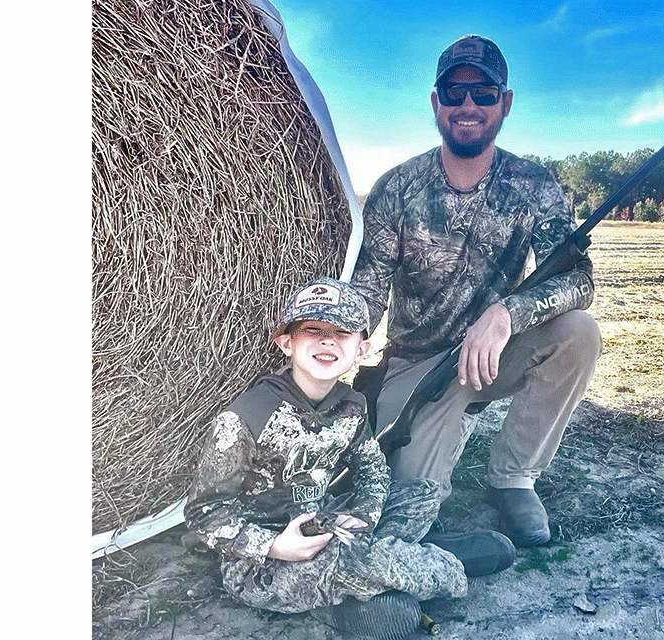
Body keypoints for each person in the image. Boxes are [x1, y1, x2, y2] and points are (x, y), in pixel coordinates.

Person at [350, 35, 603, 548]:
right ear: (436, 102)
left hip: (495, 354)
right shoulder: (396, 188)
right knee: (408, 505)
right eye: (454, 92)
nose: (468, 105)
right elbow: (366, 292)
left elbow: (578, 280)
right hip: (418, 368)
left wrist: (507, 313)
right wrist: (331, 345)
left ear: (504, 103)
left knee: (578, 333)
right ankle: (443, 436)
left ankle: (514, 478)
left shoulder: (535, 186)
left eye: (483, 92)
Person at [184, 277, 515, 640]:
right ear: (286, 343)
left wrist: (361, 516)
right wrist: (277, 546)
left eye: (342, 333)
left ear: (361, 350)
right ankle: (444, 567)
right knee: (352, 558)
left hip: (328, 523)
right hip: (262, 564)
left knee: (421, 493)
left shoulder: (351, 405)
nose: (328, 341)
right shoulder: (246, 416)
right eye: (313, 330)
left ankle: (369, 577)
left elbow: (373, 471)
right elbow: (202, 513)